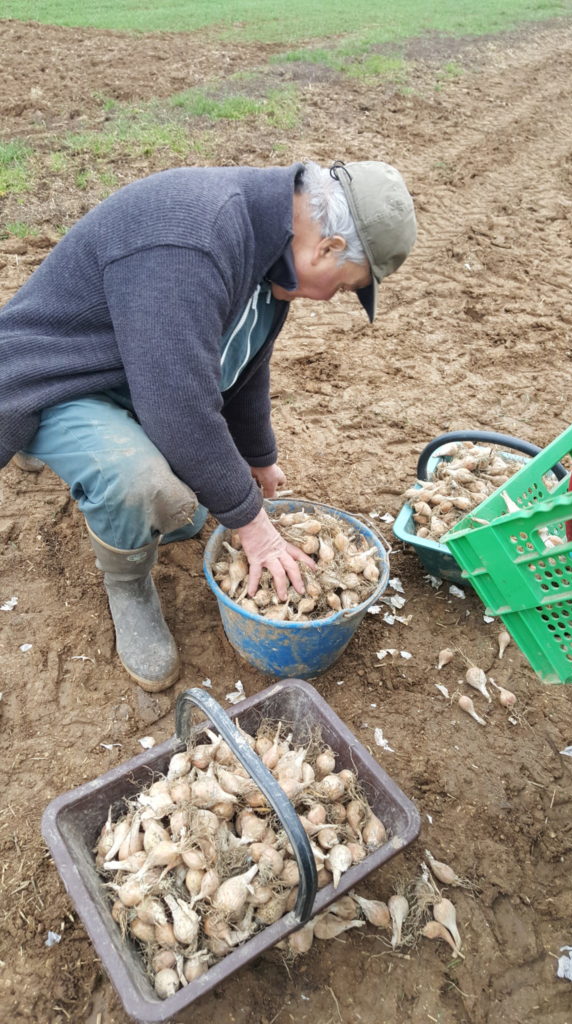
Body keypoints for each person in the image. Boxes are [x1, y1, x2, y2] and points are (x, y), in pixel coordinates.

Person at [0, 158, 416, 692]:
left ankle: (86, 457)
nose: (329, 298)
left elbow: (243, 360)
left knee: (189, 509)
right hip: (57, 374)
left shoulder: (270, 249)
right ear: (329, 248)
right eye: (340, 287)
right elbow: (178, 407)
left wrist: (258, 456)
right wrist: (253, 526)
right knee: (142, 484)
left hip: (132, 368)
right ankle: (128, 588)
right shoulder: (194, 241)